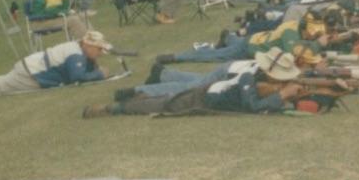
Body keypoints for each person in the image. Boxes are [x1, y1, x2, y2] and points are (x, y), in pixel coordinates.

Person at [84, 49, 320, 118]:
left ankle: (137, 94)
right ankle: (114, 107)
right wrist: (283, 95)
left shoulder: (262, 81)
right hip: (201, 98)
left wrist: (289, 95)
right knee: (160, 104)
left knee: (164, 99)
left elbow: (263, 102)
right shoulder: (250, 78)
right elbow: (252, 106)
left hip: (206, 96)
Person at [0, 31, 112, 102]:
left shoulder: (76, 48)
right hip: (32, 74)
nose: (100, 53)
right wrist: (100, 74)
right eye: (98, 49)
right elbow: (78, 77)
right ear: (88, 45)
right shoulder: (75, 55)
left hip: (31, 68)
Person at [156, 16, 328, 67]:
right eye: (312, 33)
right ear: (305, 29)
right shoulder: (291, 33)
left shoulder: (296, 26)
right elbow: (294, 55)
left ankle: (229, 37)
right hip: (250, 49)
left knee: (232, 44)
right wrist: (319, 44)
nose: (312, 36)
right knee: (214, 56)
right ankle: (174, 57)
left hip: (253, 42)